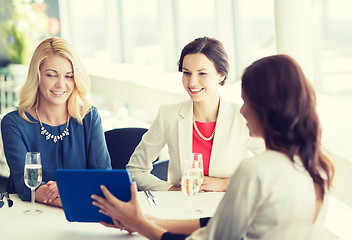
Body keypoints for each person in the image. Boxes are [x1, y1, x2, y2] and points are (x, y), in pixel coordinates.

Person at [91, 54, 335, 239]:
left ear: (269, 109)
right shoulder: (317, 166)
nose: (242, 111)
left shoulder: (256, 170)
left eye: (248, 102)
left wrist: (140, 225)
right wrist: (145, 218)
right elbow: (216, 223)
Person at [126, 37, 263, 192]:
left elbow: (271, 167)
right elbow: (135, 170)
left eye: (202, 73)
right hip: (182, 209)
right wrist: (171, 190)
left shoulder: (242, 117)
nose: (192, 82)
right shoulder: (168, 115)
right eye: (187, 73)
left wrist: (224, 184)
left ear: (221, 75)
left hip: (228, 209)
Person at [1, 37, 111, 207]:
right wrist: (75, 193)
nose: (61, 84)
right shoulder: (13, 123)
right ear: (37, 76)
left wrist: (67, 189)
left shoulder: (89, 116)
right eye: (51, 75)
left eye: (69, 76)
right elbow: (26, 187)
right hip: (30, 213)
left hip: (80, 213)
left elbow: (104, 178)